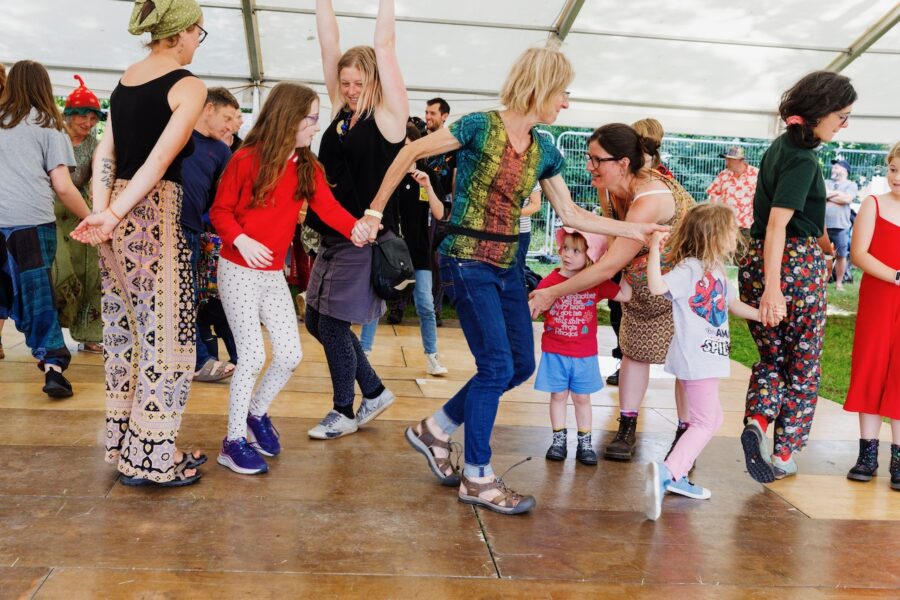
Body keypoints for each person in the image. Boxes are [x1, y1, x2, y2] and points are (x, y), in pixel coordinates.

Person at [365, 45, 662, 515]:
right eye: (562, 92)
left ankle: (434, 429)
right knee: (496, 368)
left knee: (520, 364)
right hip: (466, 260)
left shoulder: (545, 148)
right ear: (541, 86)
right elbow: (411, 152)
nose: (565, 102)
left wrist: (633, 229)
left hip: (506, 267)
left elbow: (569, 212)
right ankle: (478, 477)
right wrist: (374, 210)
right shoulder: (478, 126)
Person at [71, 0, 209, 486]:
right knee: (167, 339)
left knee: (127, 334)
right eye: (200, 33)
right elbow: (158, 161)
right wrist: (111, 212)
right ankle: (152, 459)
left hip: (115, 219)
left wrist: (101, 211)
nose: (198, 42)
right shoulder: (189, 86)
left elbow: (106, 152)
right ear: (184, 31)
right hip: (153, 216)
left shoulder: (128, 78)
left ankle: (129, 444)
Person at [210, 82, 368, 475]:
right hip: (238, 270)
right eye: (311, 118)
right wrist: (241, 240)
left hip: (271, 276)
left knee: (291, 354)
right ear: (289, 117)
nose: (316, 126)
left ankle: (256, 414)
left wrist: (358, 229)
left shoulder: (307, 167)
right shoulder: (246, 159)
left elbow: (329, 209)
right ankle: (232, 443)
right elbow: (220, 212)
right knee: (251, 357)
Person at [529, 123, 695, 463]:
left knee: (685, 364)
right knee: (633, 354)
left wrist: (552, 293)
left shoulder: (650, 198)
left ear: (622, 162)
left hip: (683, 289)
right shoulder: (621, 187)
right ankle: (627, 427)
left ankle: (686, 436)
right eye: (588, 158)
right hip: (645, 289)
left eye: (596, 160)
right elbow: (598, 224)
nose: (589, 166)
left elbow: (608, 266)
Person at [738, 70, 856, 483]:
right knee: (804, 363)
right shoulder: (804, 158)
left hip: (759, 262)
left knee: (772, 358)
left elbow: (795, 217)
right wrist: (775, 289)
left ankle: (757, 422)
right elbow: (777, 224)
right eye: (841, 115)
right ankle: (785, 452)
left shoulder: (779, 147)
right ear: (820, 112)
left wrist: (823, 244)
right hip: (791, 268)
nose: (844, 124)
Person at [304, 0, 408, 440]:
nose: (348, 88)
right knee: (314, 319)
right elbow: (330, 43)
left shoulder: (389, 116)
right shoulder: (341, 114)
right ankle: (374, 389)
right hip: (330, 235)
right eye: (344, 81)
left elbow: (384, 43)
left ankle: (343, 411)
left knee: (330, 323)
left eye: (357, 82)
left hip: (361, 239)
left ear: (374, 80)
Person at [642, 204, 760, 520]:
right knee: (707, 421)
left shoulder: (717, 270)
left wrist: (762, 314)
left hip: (707, 355)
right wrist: (654, 248)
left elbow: (733, 304)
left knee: (712, 418)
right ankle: (667, 473)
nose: (736, 237)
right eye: (731, 231)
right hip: (697, 357)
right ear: (715, 235)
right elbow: (656, 287)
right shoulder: (691, 269)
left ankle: (676, 476)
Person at [0, 60, 92, 398]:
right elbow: (64, 187)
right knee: (38, 296)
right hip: (31, 223)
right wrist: (91, 217)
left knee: (4, 292)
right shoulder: (49, 127)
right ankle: (53, 365)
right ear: (44, 87)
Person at [360, 122, 449, 376]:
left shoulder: (426, 175)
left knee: (425, 304)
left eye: (409, 147)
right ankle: (364, 352)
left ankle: (432, 355)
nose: (405, 152)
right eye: (401, 147)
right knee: (376, 300)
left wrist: (428, 187)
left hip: (418, 251)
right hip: (388, 250)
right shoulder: (387, 174)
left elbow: (440, 213)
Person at [538, 227, 630, 466]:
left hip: (584, 354)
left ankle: (585, 442)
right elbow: (535, 303)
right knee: (558, 396)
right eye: (566, 248)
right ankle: (559, 440)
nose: (567, 254)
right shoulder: (551, 281)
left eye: (576, 251)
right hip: (555, 352)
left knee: (582, 399)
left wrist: (625, 267)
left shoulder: (595, 283)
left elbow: (625, 295)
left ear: (590, 258)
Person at [842, 142, 900, 491]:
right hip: (879, 297)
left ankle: (898, 456)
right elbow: (859, 253)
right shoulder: (873, 204)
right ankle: (867, 453)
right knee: (872, 365)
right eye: (894, 170)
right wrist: (896, 276)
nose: (898, 178)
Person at [181, 86, 237, 382]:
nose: (230, 127)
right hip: (161, 224)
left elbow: (221, 198)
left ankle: (198, 359)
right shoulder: (178, 133)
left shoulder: (221, 150)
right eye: (227, 117)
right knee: (179, 297)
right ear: (208, 109)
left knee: (187, 297)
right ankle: (198, 358)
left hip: (193, 231)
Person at [51, 75, 106, 354]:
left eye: (93, 118)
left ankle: (89, 333)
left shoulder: (95, 145)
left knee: (91, 271)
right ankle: (51, 334)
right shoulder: (53, 136)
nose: (88, 123)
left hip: (80, 212)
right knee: (57, 271)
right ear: (68, 115)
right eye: (82, 117)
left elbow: (97, 178)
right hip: (49, 210)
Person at [706, 145, 759, 255]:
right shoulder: (723, 175)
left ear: (740, 160)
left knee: (745, 257)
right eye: (726, 159)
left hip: (748, 225)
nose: (726, 163)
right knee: (720, 255)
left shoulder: (756, 174)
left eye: (729, 159)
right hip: (726, 224)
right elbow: (713, 195)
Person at [825, 158, 858, 290]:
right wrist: (838, 194)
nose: (833, 169)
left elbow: (847, 199)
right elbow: (821, 195)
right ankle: (823, 281)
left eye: (837, 167)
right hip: (823, 226)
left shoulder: (851, 185)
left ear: (845, 171)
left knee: (841, 255)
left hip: (841, 227)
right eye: (833, 167)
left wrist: (829, 196)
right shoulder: (826, 182)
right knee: (822, 255)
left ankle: (839, 283)